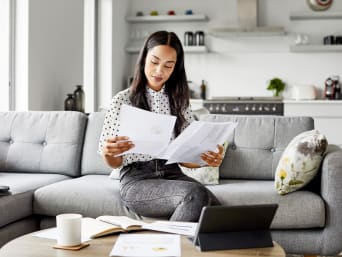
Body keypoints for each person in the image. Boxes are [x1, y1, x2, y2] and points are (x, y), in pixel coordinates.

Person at [98, 30, 223, 222]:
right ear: (143, 59)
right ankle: (167, 248)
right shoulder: (122, 100)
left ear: (175, 68)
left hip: (173, 174)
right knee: (195, 194)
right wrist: (109, 152)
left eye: (168, 65)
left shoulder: (179, 101)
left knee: (218, 214)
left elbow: (185, 159)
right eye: (154, 62)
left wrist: (206, 158)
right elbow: (115, 163)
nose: (159, 71)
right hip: (137, 179)